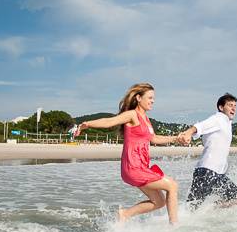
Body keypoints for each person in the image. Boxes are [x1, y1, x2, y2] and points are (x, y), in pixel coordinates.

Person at [76, 82, 182, 223]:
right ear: (139, 98)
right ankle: (174, 226)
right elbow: (110, 121)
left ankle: (124, 214)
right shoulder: (132, 115)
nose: (153, 101)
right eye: (150, 97)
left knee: (159, 202)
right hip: (133, 167)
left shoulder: (146, 119)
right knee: (172, 185)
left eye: (153, 98)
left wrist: (176, 138)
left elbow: (154, 138)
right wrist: (87, 124)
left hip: (141, 167)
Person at [178, 93, 237, 209]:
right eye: (230, 105)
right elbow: (200, 126)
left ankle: (207, 212)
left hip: (218, 174)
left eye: (235, 106)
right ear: (221, 107)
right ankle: (173, 223)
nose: (233, 108)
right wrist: (188, 133)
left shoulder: (227, 123)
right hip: (206, 172)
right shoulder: (218, 119)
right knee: (192, 208)